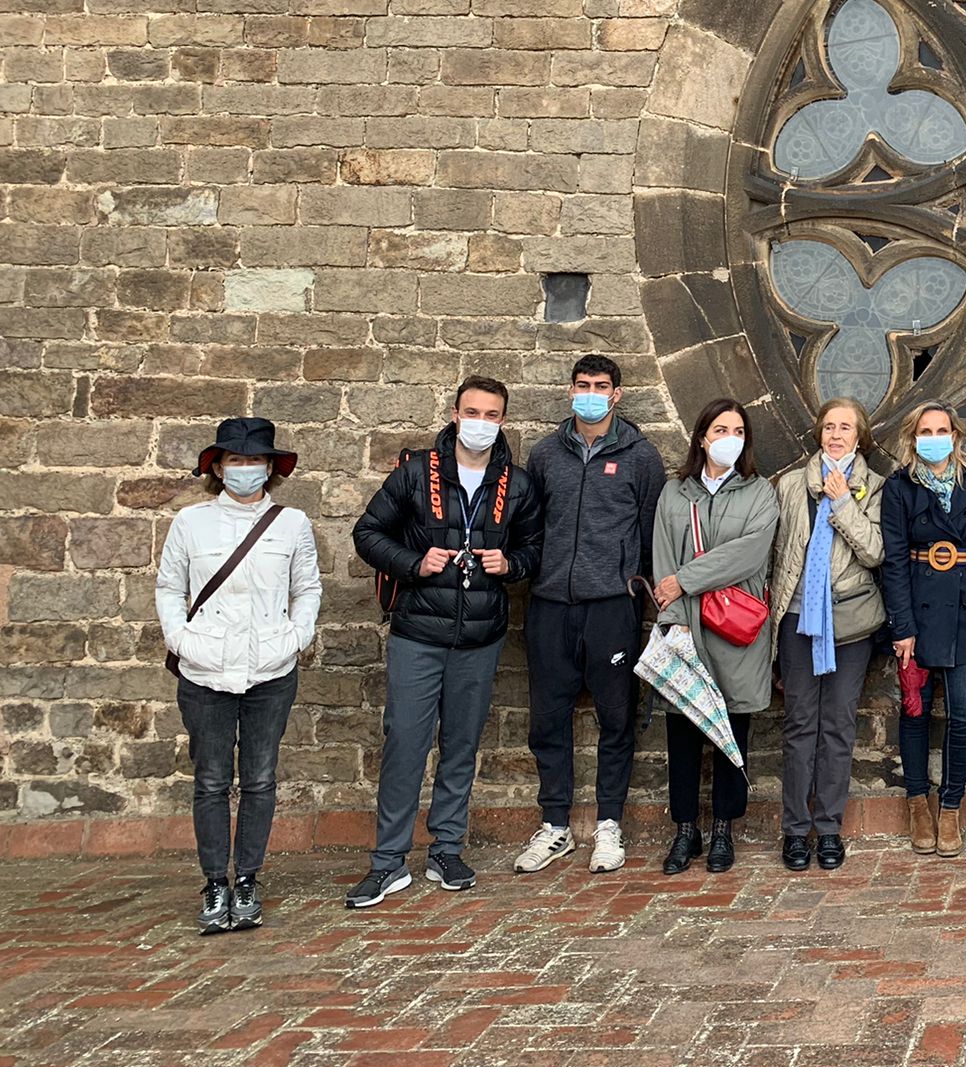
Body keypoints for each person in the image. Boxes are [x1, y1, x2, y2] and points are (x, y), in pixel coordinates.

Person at [347, 377, 543, 907]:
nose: (481, 422)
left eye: (493, 414)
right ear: (455, 414)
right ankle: (388, 862)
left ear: (503, 421)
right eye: (473, 411)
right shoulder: (416, 473)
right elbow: (368, 534)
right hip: (418, 632)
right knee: (405, 743)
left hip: (480, 637)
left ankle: (447, 848)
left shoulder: (517, 485)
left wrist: (513, 564)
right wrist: (413, 563)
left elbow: (534, 548)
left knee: (461, 746)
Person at [155, 417, 321, 933]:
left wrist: (296, 638)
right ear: (217, 467)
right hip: (204, 669)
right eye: (235, 461)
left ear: (269, 468)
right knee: (209, 780)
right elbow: (168, 588)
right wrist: (180, 641)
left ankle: (247, 876)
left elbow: (307, 588)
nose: (244, 469)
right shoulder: (190, 523)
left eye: (254, 461)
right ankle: (214, 882)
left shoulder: (291, 524)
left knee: (260, 778)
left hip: (270, 668)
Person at [516, 353, 666, 876]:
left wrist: (638, 594)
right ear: (570, 390)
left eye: (601, 385)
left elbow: (651, 535)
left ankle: (608, 825)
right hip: (550, 605)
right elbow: (530, 527)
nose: (591, 393)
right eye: (583, 384)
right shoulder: (544, 455)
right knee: (548, 719)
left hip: (611, 608)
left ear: (617, 394)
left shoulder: (641, 457)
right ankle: (554, 824)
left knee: (616, 718)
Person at [650, 398, 779, 875]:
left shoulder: (760, 493)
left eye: (739, 430)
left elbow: (749, 554)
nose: (730, 437)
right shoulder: (674, 494)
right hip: (684, 623)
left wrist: (686, 578)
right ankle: (685, 829)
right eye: (720, 428)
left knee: (733, 729)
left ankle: (724, 826)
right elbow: (662, 560)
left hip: (737, 628)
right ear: (702, 436)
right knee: (682, 729)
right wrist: (676, 613)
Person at [770, 397, 888, 872]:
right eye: (829, 427)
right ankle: (796, 830)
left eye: (846, 428)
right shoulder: (790, 484)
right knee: (800, 725)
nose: (836, 435)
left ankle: (830, 828)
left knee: (838, 726)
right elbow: (777, 548)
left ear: (860, 438)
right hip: (798, 618)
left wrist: (842, 503)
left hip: (850, 624)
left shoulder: (874, 487)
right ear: (819, 433)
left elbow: (876, 551)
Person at [881, 402, 966, 859]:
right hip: (918, 612)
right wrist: (902, 626)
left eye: (941, 429)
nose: (934, 437)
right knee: (915, 712)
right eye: (925, 431)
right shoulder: (899, 487)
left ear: (955, 435)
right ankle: (916, 803)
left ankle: (950, 805)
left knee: (965, 713)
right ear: (913, 439)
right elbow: (893, 561)